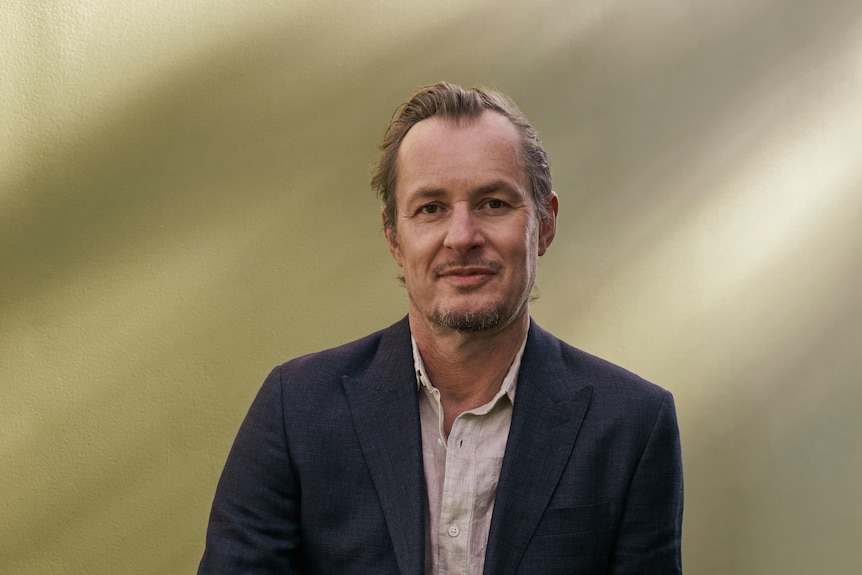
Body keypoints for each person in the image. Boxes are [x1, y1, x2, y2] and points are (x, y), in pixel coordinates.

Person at [198, 82, 683, 574]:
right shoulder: (295, 409)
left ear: (545, 223)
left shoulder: (633, 425)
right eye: (430, 208)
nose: (462, 236)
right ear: (393, 236)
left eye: (493, 202)